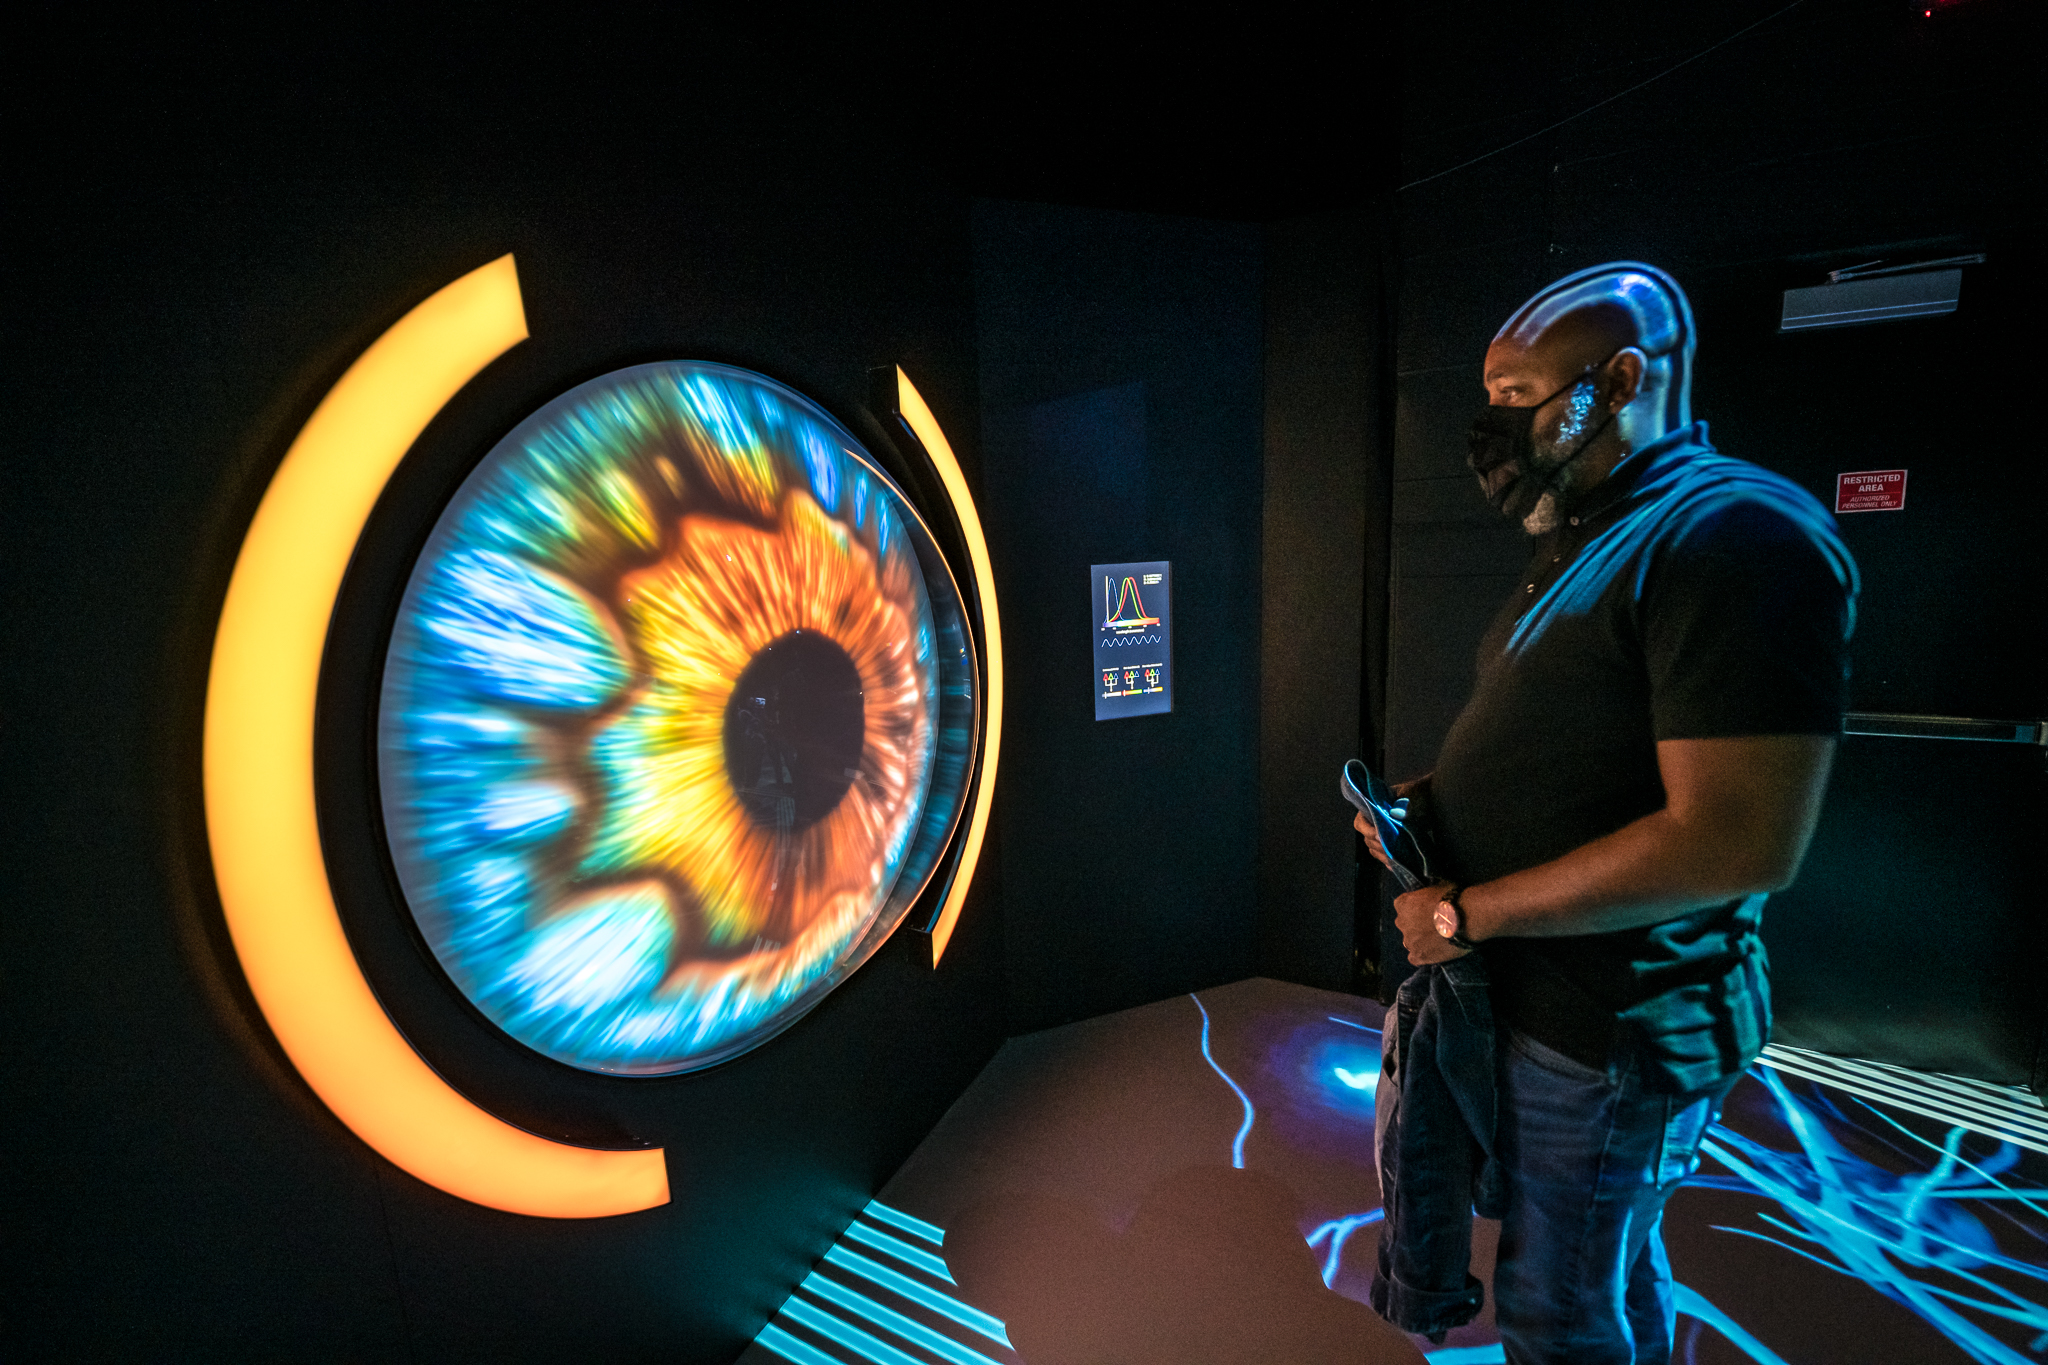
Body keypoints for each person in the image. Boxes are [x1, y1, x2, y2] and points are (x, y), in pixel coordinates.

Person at [1356, 262, 1858, 1364]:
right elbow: (1581, 747)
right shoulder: (1593, 529)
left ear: (1618, 378)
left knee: (1558, 1303)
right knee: (1597, 1263)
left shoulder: (1738, 536)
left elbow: (1735, 839)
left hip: (1614, 1023)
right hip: (1541, 1003)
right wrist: (1435, 807)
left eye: (1516, 397)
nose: (1491, 427)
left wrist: (1468, 914)